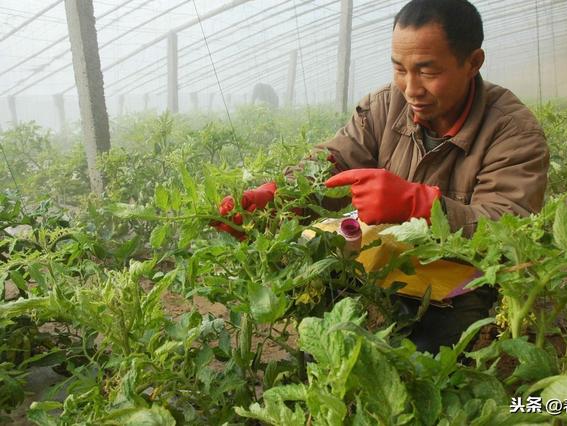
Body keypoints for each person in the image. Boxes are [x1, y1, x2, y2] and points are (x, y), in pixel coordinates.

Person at [216, 0, 549, 354]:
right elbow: (335, 161)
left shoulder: (513, 132)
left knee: (433, 345)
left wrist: (422, 206)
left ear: (473, 63)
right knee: (314, 281)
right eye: (400, 69)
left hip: (456, 277)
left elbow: (510, 227)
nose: (411, 88)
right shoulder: (384, 106)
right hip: (383, 257)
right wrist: (279, 199)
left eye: (427, 71)